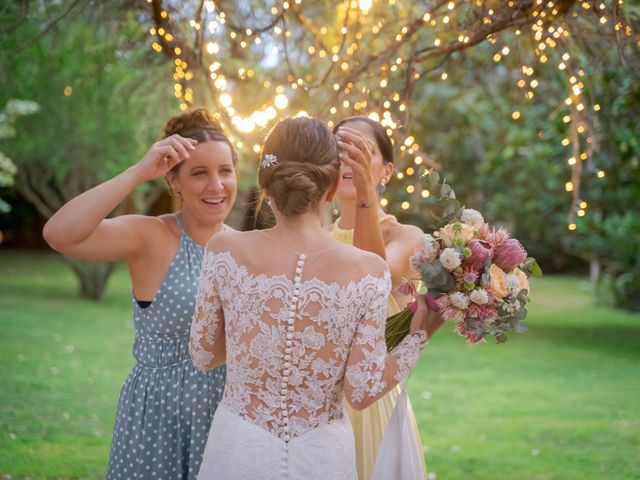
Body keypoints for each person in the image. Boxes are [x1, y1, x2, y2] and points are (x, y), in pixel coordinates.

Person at [189, 117, 443, 479]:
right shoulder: (367, 270)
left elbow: (203, 355)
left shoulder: (224, 249)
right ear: (333, 184)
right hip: (322, 455)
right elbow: (361, 391)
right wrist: (417, 338)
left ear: (264, 182)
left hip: (239, 446)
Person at [42, 108, 236, 479]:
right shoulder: (151, 236)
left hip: (226, 419)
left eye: (225, 171)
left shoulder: (245, 247)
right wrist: (139, 172)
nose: (217, 185)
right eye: (199, 173)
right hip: (158, 419)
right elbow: (59, 234)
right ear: (174, 181)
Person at [329, 115, 427, 479]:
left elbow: (371, 274)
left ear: (386, 172)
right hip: (317, 410)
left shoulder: (405, 236)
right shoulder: (316, 236)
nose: (348, 161)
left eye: (361, 151)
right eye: (339, 152)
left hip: (372, 406)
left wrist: (367, 194)